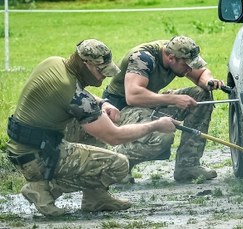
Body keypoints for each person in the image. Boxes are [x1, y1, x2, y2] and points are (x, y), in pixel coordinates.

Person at [5, 39, 178, 217]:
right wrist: (156, 125)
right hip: (37, 158)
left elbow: (74, 92)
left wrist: (101, 102)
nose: (104, 76)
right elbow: (114, 136)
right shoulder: (75, 96)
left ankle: (96, 197)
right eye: (100, 70)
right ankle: (44, 189)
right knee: (118, 164)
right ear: (85, 64)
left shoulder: (54, 63)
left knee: (96, 125)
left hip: (27, 146)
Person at [102, 35, 225, 182]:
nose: (189, 69)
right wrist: (173, 99)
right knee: (162, 136)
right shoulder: (142, 58)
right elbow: (133, 96)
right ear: (171, 58)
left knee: (200, 94)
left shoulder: (179, 53)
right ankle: (115, 163)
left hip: (149, 103)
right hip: (122, 108)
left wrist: (208, 81)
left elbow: (201, 73)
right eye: (186, 65)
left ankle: (187, 166)